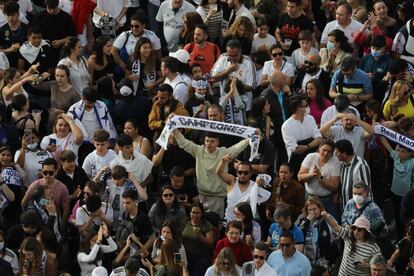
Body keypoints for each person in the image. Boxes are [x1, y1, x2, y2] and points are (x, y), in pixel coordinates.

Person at [173, 127, 250, 218]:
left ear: (218, 142)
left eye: (212, 141)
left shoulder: (224, 152)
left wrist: (249, 138)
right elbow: (183, 143)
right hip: (201, 196)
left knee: (215, 226)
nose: (209, 144)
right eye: (207, 141)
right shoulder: (198, 150)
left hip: (218, 198)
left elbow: (237, 148)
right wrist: (174, 128)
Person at [322, 211, 381, 276]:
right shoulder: (348, 236)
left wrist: (368, 265)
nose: (355, 231)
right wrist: (326, 216)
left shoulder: (373, 246)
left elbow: (380, 265)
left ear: (366, 231)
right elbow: (335, 226)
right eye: (354, 228)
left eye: (359, 229)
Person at [68, 86, 117, 164]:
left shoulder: (102, 106)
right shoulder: (73, 109)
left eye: (93, 102)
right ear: (83, 98)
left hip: (99, 143)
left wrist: (110, 139)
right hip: (83, 145)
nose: (92, 104)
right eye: (89, 102)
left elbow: (108, 123)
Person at [380, 136, 414, 238]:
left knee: (406, 220)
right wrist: (380, 131)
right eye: (398, 150)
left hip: (407, 197)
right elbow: (385, 143)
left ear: (410, 153)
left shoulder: (412, 162)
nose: (399, 153)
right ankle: (399, 238)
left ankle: (408, 238)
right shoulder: (395, 156)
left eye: (402, 151)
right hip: (395, 193)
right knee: (398, 216)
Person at [21, 158, 70, 227]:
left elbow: (66, 210)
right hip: (37, 225)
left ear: (56, 172)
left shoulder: (62, 188)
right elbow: (23, 203)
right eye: (45, 172)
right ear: (42, 172)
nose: (47, 175)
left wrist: (61, 226)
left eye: (50, 173)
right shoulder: (35, 185)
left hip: (55, 223)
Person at [111, 13, 161, 78]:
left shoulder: (152, 35)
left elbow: (158, 53)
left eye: (137, 26)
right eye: (132, 26)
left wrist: (157, 68)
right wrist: (123, 66)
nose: (134, 28)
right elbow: (113, 51)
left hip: (147, 65)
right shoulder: (125, 35)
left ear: (143, 26)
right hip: (129, 65)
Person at [210, 39, 256, 110]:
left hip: (244, 104)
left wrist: (235, 86)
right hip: (226, 103)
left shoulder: (248, 62)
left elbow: (252, 86)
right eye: (230, 55)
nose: (232, 58)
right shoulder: (223, 58)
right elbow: (212, 78)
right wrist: (227, 71)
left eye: (235, 55)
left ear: (240, 51)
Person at [281, 95, 322, 176]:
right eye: (303, 106)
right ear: (296, 109)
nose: (306, 108)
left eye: (306, 105)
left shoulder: (310, 118)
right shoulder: (286, 126)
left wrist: (307, 146)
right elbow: (296, 149)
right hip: (297, 162)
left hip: (313, 158)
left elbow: (319, 138)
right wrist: (312, 142)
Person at [296, 197, 337, 266]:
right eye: (310, 210)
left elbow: (336, 242)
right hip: (305, 261)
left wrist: (327, 260)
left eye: (314, 209)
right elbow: (298, 237)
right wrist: (307, 222)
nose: (312, 212)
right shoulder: (302, 220)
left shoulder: (328, 219)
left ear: (320, 208)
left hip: (323, 262)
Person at [334, 139, 371, 210]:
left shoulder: (361, 166)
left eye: (337, 152)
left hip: (357, 210)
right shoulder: (343, 164)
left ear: (344, 154)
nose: (335, 154)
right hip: (345, 208)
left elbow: (366, 190)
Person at [181, 202, 214, 276]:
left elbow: (210, 244)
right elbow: (179, 237)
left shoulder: (206, 225)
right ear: (190, 213)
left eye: (198, 213)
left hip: (201, 258)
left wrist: (199, 235)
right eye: (193, 212)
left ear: (202, 214)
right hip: (186, 256)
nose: (195, 215)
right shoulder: (185, 222)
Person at [0, 1, 28, 68]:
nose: (10, 18)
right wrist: (10, 49)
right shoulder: (2, 30)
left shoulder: (26, 28)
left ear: (18, 14)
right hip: (8, 65)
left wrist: (21, 48)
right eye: (8, 15)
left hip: (24, 64)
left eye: (12, 15)